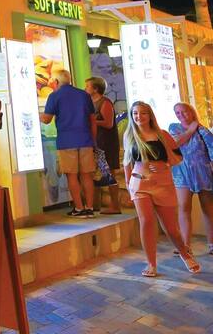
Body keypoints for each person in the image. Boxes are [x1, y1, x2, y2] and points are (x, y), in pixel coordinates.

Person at [123, 100, 200, 276]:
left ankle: (185, 254)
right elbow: (127, 161)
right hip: (139, 183)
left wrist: (164, 165)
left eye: (143, 113)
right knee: (146, 221)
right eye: (135, 113)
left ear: (150, 115)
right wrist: (128, 184)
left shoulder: (162, 134)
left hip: (162, 183)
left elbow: (178, 157)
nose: (139, 116)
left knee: (170, 228)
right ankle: (151, 264)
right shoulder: (130, 135)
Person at [40, 70, 96, 217]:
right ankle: (90, 208)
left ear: (56, 82)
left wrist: (35, 115)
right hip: (85, 140)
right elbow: (92, 119)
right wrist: (93, 139)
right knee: (87, 176)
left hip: (66, 141)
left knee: (72, 176)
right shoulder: (84, 95)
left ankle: (79, 208)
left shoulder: (54, 96)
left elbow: (46, 119)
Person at [168, 102, 213, 255]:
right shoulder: (174, 128)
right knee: (184, 207)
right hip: (181, 173)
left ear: (191, 112)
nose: (181, 115)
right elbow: (175, 143)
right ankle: (185, 246)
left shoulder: (203, 130)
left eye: (184, 111)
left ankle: (212, 244)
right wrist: (191, 130)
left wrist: (196, 128)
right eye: (177, 113)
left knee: (208, 208)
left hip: (203, 173)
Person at [86, 77, 122, 214]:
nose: (85, 89)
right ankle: (95, 204)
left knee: (109, 173)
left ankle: (115, 205)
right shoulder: (91, 103)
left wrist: (92, 121)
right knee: (95, 173)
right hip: (96, 142)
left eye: (87, 86)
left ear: (95, 89)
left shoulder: (105, 102)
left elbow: (109, 123)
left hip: (107, 143)